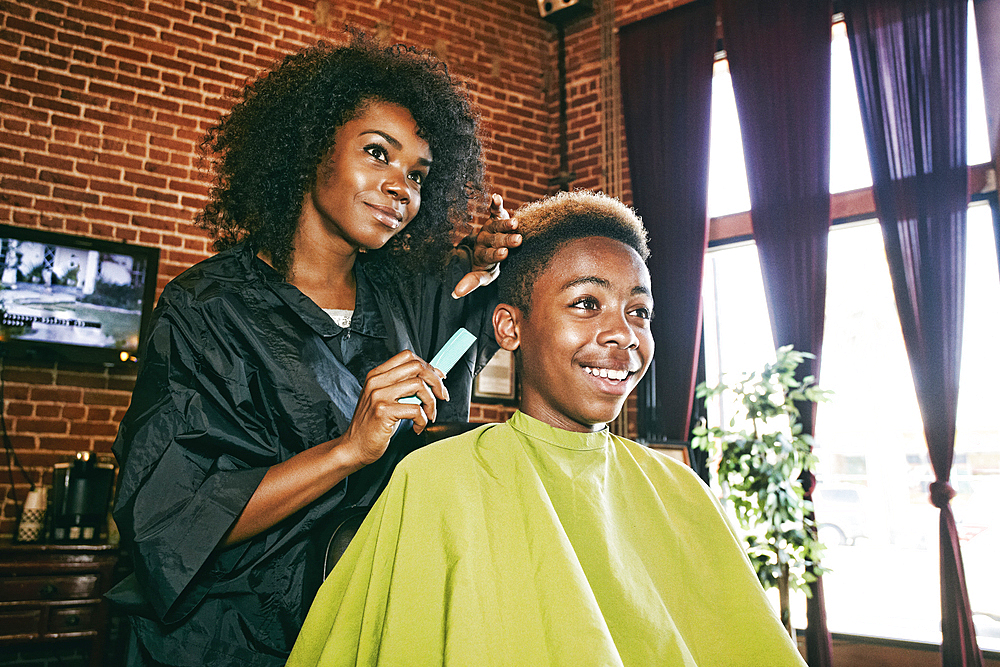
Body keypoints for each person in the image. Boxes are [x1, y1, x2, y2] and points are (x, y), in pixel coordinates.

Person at [108, 34, 520, 667]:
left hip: (360, 626)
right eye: (377, 154)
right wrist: (348, 450)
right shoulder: (206, 310)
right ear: (309, 149)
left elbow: (459, 343)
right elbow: (169, 523)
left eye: (416, 175)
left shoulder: (404, 302)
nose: (399, 188)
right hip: (224, 638)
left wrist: (481, 265)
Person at [287, 190, 807, 667]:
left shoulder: (681, 492)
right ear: (510, 327)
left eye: (639, 311)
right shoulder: (436, 482)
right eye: (586, 303)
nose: (623, 334)